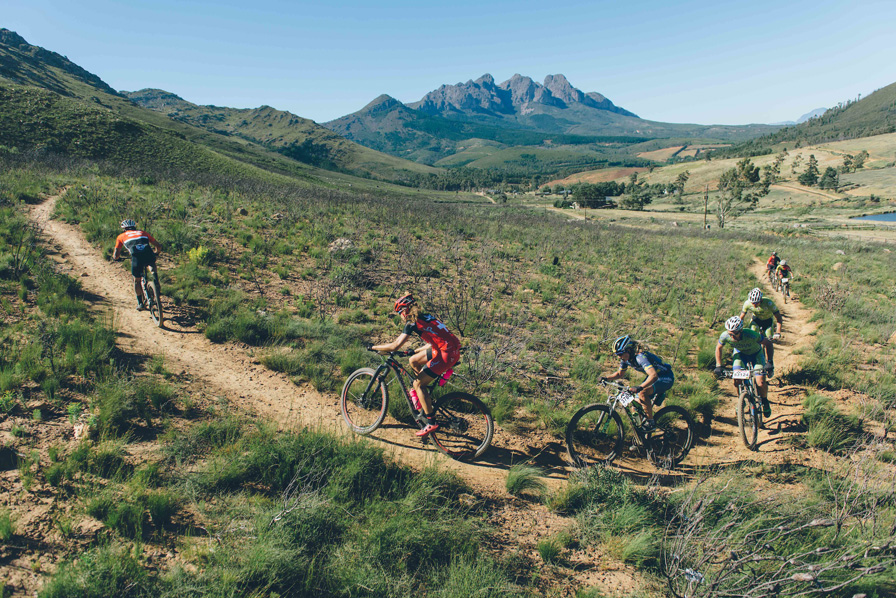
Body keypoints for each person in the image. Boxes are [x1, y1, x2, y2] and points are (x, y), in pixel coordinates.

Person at [371, 294, 460, 438]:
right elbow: (435, 340)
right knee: (413, 360)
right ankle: (423, 399)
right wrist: (415, 351)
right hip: (450, 349)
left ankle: (430, 421)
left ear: (405, 311)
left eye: (399, 313)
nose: (400, 316)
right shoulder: (427, 317)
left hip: (445, 353)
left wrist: (374, 347)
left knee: (419, 384)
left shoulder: (412, 323)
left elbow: (395, 345)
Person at [601, 335, 674, 432]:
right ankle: (641, 436)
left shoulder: (640, 357)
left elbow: (653, 375)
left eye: (621, 353)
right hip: (654, 377)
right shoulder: (626, 360)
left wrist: (640, 387)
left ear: (629, 350)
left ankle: (651, 423)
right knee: (635, 407)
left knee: (642, 392)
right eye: (617, 354)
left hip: (665, 377)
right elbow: (619, 374)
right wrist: (606, 378)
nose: (619, 357)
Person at [714, 316, 774, 417]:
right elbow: (718, 348)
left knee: (760, 382)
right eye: (730, 334)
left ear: (741, 330)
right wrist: (718, 365)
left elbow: (768, 343)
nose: (732, 336)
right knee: (737, 380)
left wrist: (770, 362)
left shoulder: (750, 334)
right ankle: (741, 401)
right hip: (740, 355)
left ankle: (764, 401)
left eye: (735, 333)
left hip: (756, 354)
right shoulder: (724, 336)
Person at [112, 219, 163, 311]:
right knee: (151, 261)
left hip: (136, 258)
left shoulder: (121, 236)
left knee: (137, 280)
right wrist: (156, 253)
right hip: (148, 254)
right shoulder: (143, 233)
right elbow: (158, 246)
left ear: (124, 229)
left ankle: (140, 303)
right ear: (135, 227)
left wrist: (116, 258)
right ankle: (155, 279)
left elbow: (116, 255)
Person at [739, 288, 783, 361]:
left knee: (768, 340)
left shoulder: (769, 303)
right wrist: (738, 330)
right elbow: (741, 317)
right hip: (756, 321)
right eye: (752, 303)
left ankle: (770, 361)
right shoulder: (747, 303)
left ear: (761, 300)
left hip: (767, 322)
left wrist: (778, 332)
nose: (754, 304)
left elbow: (778, 317)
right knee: (753, 335)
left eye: (756, 303)